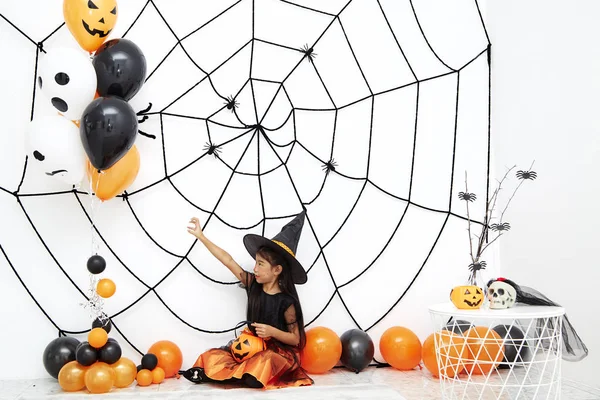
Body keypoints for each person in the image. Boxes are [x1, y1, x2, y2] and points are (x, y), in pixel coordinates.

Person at [181, 211, 314, 390]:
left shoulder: (286, 302)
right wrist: (202, 237)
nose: (255, 268)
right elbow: (227, 260)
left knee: (265, 361)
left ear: (277, 270)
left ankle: (234, 376)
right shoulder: (253, 285)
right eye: (256, 263)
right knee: (214, 355)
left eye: (261, 264)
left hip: (276, 352)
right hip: (252, 345)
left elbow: (295, 339)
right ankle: (222, 373)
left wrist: (272, 332)